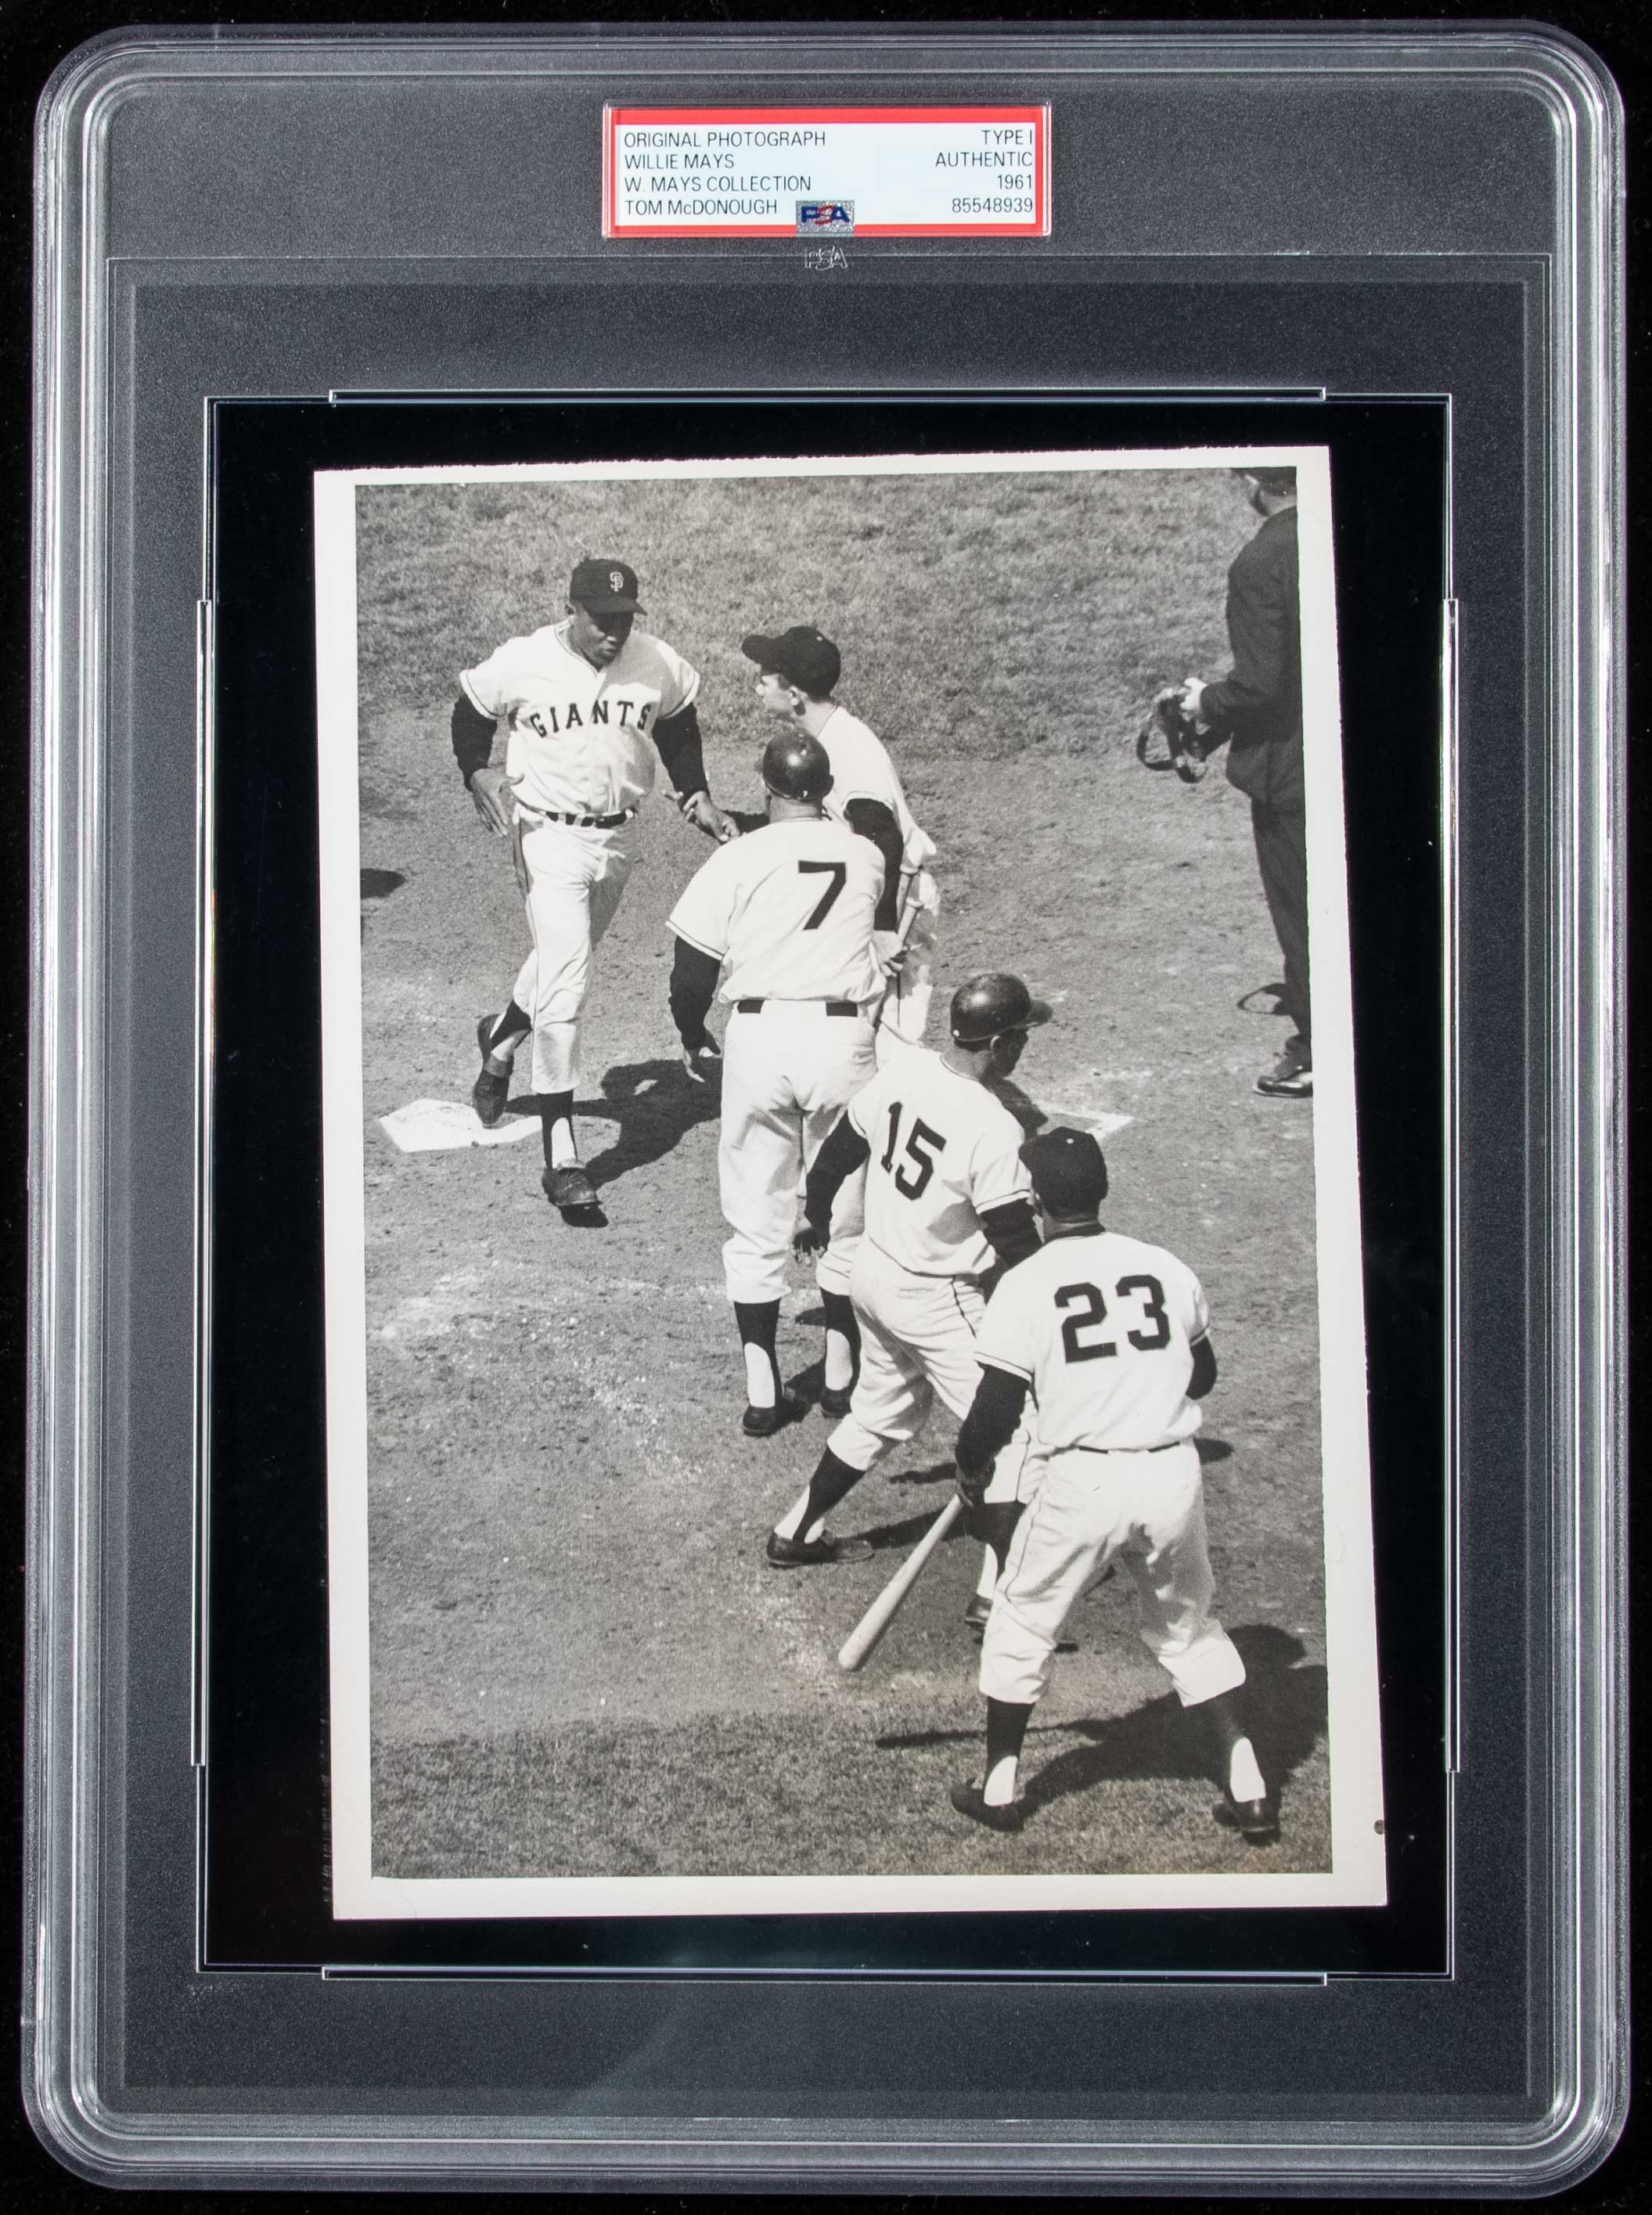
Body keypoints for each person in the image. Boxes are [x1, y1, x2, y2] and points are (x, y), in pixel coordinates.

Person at [947, 1126, 1276, 1846]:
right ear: (1101, 1191)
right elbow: (1202, 1376)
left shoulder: (1024, 1283)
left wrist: (969, 1467)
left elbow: (995, 1410)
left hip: (1084, 1483)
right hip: (1171, 1475)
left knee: (1022, 1620)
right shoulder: (1163, 1265)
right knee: (1187, 1628)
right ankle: (1250, 1788)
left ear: (1035, 1202)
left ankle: (998, 1788)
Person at [452, 556, 734, 1216]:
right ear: (571, 609)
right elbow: (471, 710)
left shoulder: (655, 661)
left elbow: (677, 721)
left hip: (616, 840)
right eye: (601, 619)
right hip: (546, 835)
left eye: (623, 620)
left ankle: (500, 1038)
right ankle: (563, 1159)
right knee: (568, 983)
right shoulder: (524, 660)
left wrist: (695, 790)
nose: (614, 632)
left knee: (565, 958)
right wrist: (476, 771)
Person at [769, 974, 1048, 1583]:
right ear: (997, 1043)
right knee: (1020, 1429)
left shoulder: (907, 1070)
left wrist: (815, 1213)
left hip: (871, 1276)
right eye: (1021, 1036)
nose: (1025, 1045)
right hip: (935, 1297)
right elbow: (1015, 1242)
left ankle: (796, 1532)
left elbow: (839, 1149)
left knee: (878, 1414)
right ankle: (998, 1590)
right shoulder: (993, 1127)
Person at [666, 731, 890, 1435]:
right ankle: (840, 1377)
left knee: (755, 1214)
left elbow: (690, 973)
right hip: (843, 1041)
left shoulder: (738, 857)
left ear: (765, 788)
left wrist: (691, 1031)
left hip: (760, 1039)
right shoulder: (865, 855)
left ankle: (763, 1390)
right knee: (846, 1213)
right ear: (825, 790)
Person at [742, 626, 941, 1061]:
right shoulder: (824, 737)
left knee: (891, 1041)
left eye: (765, 679)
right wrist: (732, 824)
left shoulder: (847, 749)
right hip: (873, 894)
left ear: (794, 695)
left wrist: (883, 929)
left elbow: (883, 835)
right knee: (852, 1032)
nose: (757, 687)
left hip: (897, 898)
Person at [1174, 467, 1308, 1099]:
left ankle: (1319, 1051)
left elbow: (1260, 687)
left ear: (1260, 482)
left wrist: (1204, 704)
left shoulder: (1263, 559)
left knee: (1307, 917)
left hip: (1295, 776)